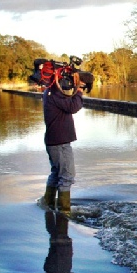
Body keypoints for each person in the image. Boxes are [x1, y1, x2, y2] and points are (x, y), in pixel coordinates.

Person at [42, 73, 83, 213]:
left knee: (56, 173)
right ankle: (64, 211)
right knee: (67, 175)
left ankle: (48, 203)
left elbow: (68, 104)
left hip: (54, 141)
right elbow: (73, 107)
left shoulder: (49, 92)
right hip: (60, 142)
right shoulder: (55, 94)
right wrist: (79, 91)